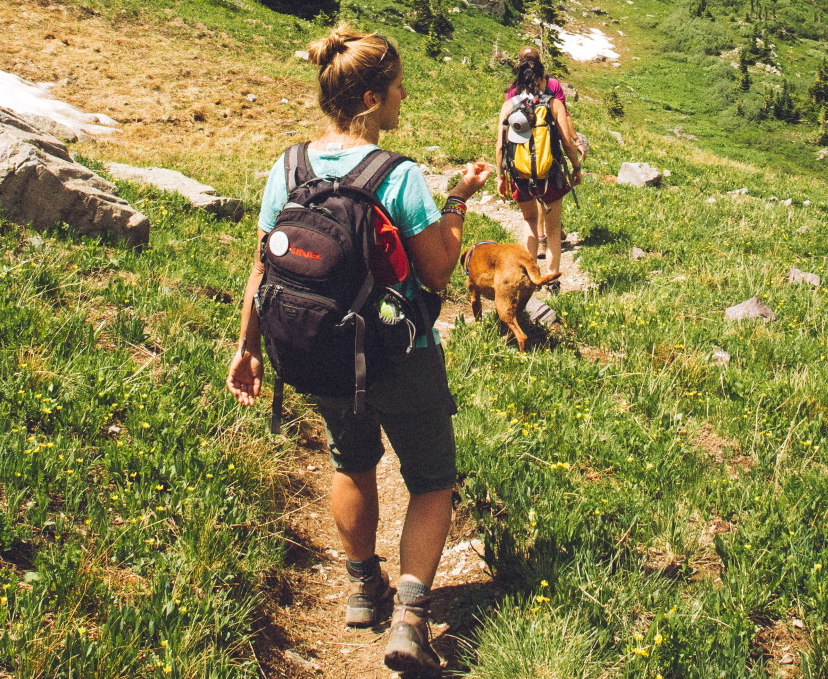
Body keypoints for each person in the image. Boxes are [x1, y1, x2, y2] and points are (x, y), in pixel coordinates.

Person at [226, 24, 489, 676]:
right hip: (400, 353)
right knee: (432, 480)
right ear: (372, 97)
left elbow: (263, 266)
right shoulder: (396, 177)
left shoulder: (288, 167)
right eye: (398, 87)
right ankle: (410, 614)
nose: (404, 97)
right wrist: (457, 200)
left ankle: (359, 586)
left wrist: (247, 349)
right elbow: (436, 271)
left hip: (316, 349)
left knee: (352, 460)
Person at [496, 49, 583, 281]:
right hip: (550, 171)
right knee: (554, 229)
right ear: (543, 78)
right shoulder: (553, 104)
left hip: (520, 173)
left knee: (530, 221)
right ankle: (552, 278)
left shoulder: (509, 105)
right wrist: (576, 168)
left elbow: (500, 146)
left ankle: (530, 277)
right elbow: (566, 141)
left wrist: (500, 177)